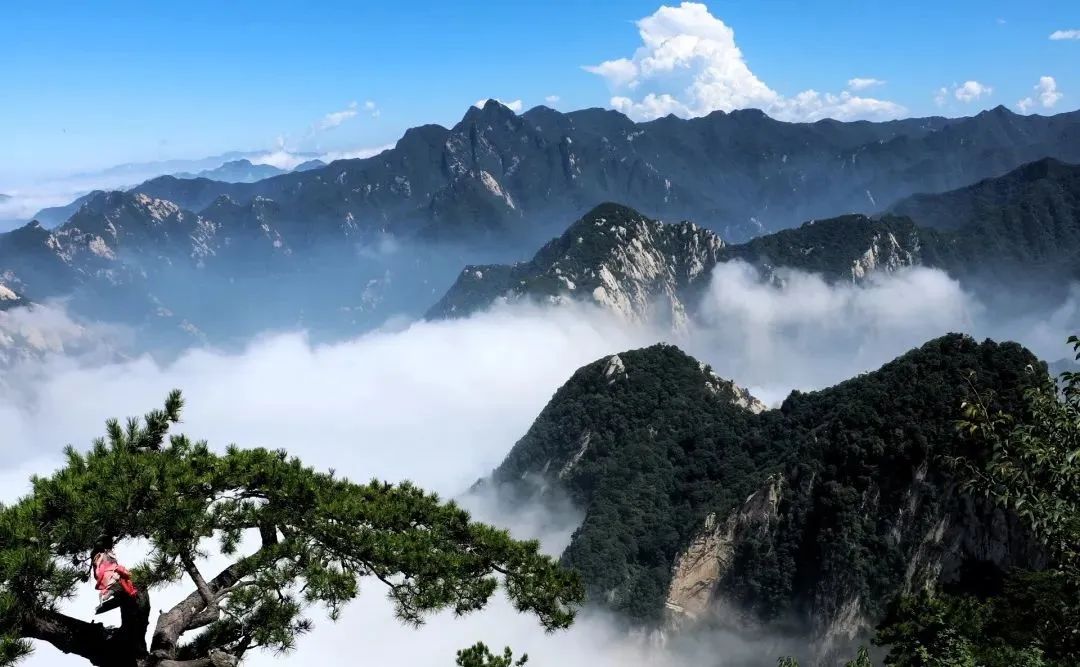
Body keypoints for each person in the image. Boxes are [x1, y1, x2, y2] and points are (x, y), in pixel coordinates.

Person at [90, 547, 138, 614]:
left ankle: (110, 592)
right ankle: (110, 592)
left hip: (112, 575)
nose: (114, 553)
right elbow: (100, 571)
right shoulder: (102, 557)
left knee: (122, 579)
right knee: (121, 579)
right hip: (111, 576)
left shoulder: (105, 557)